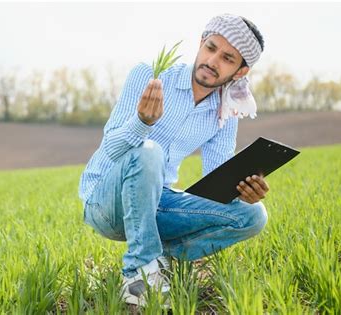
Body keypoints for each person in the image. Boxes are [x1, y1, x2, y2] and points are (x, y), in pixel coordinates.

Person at [78, 13, 269, 306]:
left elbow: (216, 186)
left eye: (227, 58)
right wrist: (142, 122)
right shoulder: (151, 75)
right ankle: (138, 274)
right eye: (210, 47)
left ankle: (158, 259)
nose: (212, 60)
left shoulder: (224, 111)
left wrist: (243, 191)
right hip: (106, 201)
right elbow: (112, 149)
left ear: (240, 72)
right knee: (149, 150)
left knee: (254, 216)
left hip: (157, 205)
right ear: (200, 43)